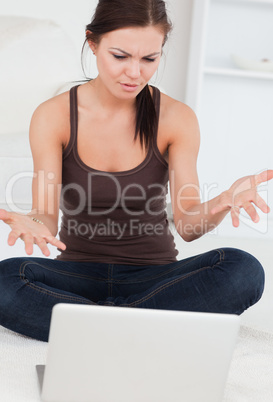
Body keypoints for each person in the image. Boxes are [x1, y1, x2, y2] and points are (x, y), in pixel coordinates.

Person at [0, 0, 272, 343]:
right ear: (93, 43)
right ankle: (143, 326)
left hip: (156, 277)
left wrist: (221, 202)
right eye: (120, 56)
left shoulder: (176, 117)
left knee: (243, 271)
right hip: (77, 273)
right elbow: (46, 217)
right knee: (4, 280)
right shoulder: (53, 116)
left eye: (149, 59)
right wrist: (33, 222)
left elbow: (188, 225)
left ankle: (91, 327)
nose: (135, 73)